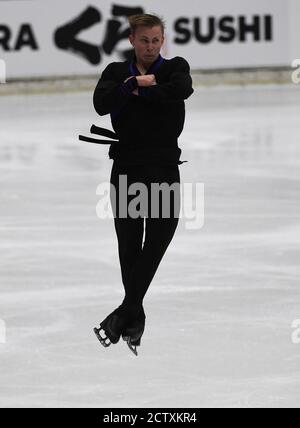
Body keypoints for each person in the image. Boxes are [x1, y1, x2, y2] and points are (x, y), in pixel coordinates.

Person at [92, 13, 194, 356]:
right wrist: (132, 86)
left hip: (164, 167)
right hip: (128, 169)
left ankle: (126, 311)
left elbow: (182, 90)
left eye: (156, 40)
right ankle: (133, 314)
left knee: (160, 236)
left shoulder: (175, 67)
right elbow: (100, 104)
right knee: (130, 243)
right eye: (144, 40)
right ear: (132, 41)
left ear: (162, 40)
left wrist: (141, 89)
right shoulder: (116, 73)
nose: (150, 47)